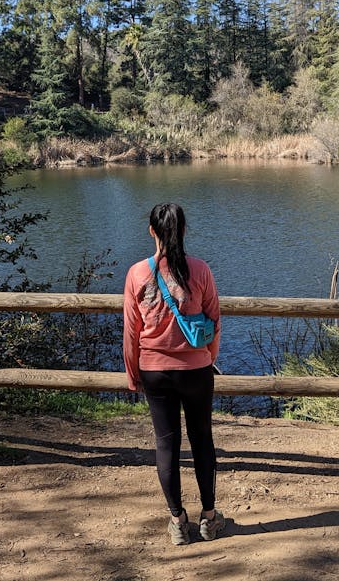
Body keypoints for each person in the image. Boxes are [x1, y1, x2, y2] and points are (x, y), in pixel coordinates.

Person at [123, 203, 225, 545]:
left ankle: (178, 522)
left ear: (151, 231)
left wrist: (132, 370)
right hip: (196, 369)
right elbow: (214, 319)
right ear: (183, 230)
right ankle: (209, 519)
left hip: (154, 371)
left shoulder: (138, 273)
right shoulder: (200, 269)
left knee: (166, 444)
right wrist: (207, 357)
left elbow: (131, 330)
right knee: (202, 441)